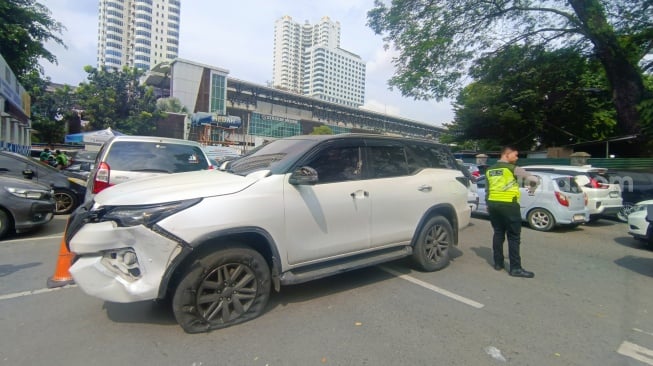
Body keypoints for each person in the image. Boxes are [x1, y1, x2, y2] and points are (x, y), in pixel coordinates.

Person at [485, 146, 538, 278]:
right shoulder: (513, 169)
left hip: (493, 205)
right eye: (515, 155)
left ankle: (498, 263)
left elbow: (488, 189)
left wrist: (488, 204)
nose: (517, 157)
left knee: (498, 233)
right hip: (509, 205)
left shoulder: (489, 170)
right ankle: (515, 268)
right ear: (507, 155)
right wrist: (532, 190)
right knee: (514, 237)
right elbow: (534, 180)